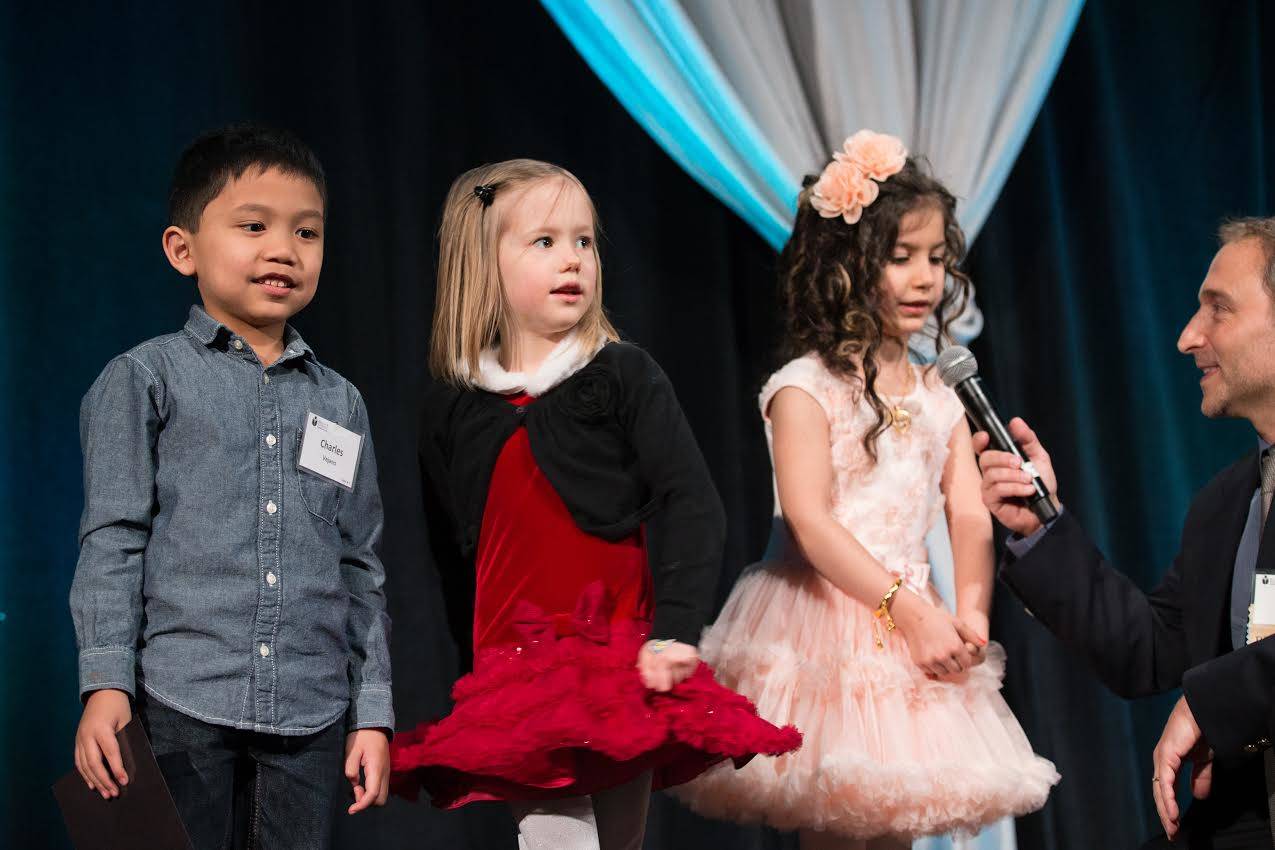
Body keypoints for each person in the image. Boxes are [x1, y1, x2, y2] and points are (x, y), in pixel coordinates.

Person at [389, 158, 801, 850]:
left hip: (618, 657)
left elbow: (690, 502)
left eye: (583, 241)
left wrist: (674, 627)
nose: (572, 260)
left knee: (617, 843)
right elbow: (453, 551)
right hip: (519, 668)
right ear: (481, 261)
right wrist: (477, 675)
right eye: (544, 242)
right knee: (554, 836)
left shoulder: (621, 375)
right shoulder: (452, 407)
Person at [671, 131, 1058, 849]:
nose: (923, 279)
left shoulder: (940, 392)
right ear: (845, 264)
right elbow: (811, 525)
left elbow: (968, 511)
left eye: (936, 260)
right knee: (839, 817)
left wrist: (969, 614)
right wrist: (905, 610)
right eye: (899, 256)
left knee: (894, 822)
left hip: (916, 627)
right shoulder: (803, 389)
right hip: (825, 621)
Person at [69, 125, 393, 849]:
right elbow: (113, 541)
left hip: (309, 714)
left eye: (306, 232)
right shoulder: (147, 378)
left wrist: (370, 710)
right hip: (179, 700)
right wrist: (105, 683)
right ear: (183, 249)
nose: (283, 249)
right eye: (253, 226)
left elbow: (360, 566)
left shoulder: (340, 403)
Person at [974, 218, 1275, 847]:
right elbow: (1152, 650)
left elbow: (1221, 687)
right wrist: (1042, 529)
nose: (1187, 337)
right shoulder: (1225, 503)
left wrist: (1213, 700)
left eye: (1217, 309)